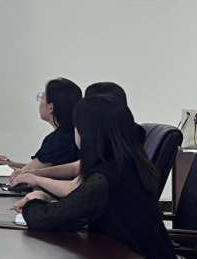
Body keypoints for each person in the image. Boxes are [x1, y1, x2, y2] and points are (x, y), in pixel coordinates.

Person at [15, 95, 179, 259]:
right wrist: (45, 197)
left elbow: (45, 219)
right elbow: (78, 210)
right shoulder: (127, 164)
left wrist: (35, 199)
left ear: (87, 133)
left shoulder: (107, 178)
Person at [10, 82, 145, 198]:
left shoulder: (109, 166)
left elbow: (74, 189)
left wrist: (36, 183)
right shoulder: (120, 149)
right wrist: (35, 175)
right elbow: (75, 168)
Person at [0, 78, 82, 171]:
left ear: (51, 107)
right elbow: (44, 169)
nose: (39, 102)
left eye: (42, 97)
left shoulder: (60, 140)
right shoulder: (72, 133)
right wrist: (10, 164)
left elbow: (26, 173)